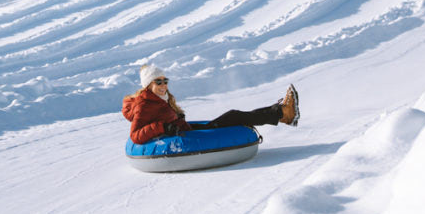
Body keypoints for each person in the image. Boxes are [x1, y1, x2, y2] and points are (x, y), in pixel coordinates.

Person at [121, 64, 299, 144]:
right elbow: (136, 135)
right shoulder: (144, 104)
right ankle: (283, 113)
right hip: (182, 138)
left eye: (165, 80)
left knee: (233, 116)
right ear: (149, 85)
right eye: (158, 82)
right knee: (233, 115)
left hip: (185, 131)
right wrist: (163, 127)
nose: (163, 85)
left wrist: (176, 118)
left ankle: (283, 113)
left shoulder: (161, 99)